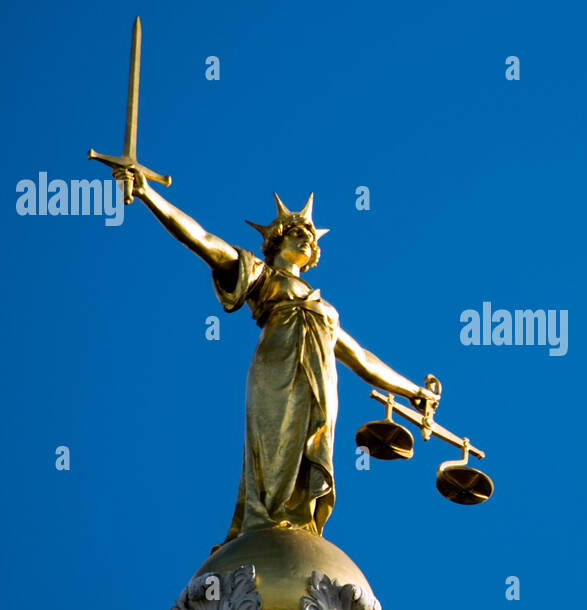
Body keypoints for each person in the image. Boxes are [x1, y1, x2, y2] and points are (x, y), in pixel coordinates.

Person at [115, 167, 437, 542]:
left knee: (309, 449)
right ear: (276, 241)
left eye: (309, 237)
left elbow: (363, 360)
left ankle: (298, 523)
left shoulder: (324, 309)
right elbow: (202, 239)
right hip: (278, 370)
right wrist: (147, 194)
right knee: (274, 448)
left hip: (320, 383)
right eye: (296, 232)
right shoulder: (263, 276)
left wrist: (415, 391)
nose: (305, 238)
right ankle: (266, 521)